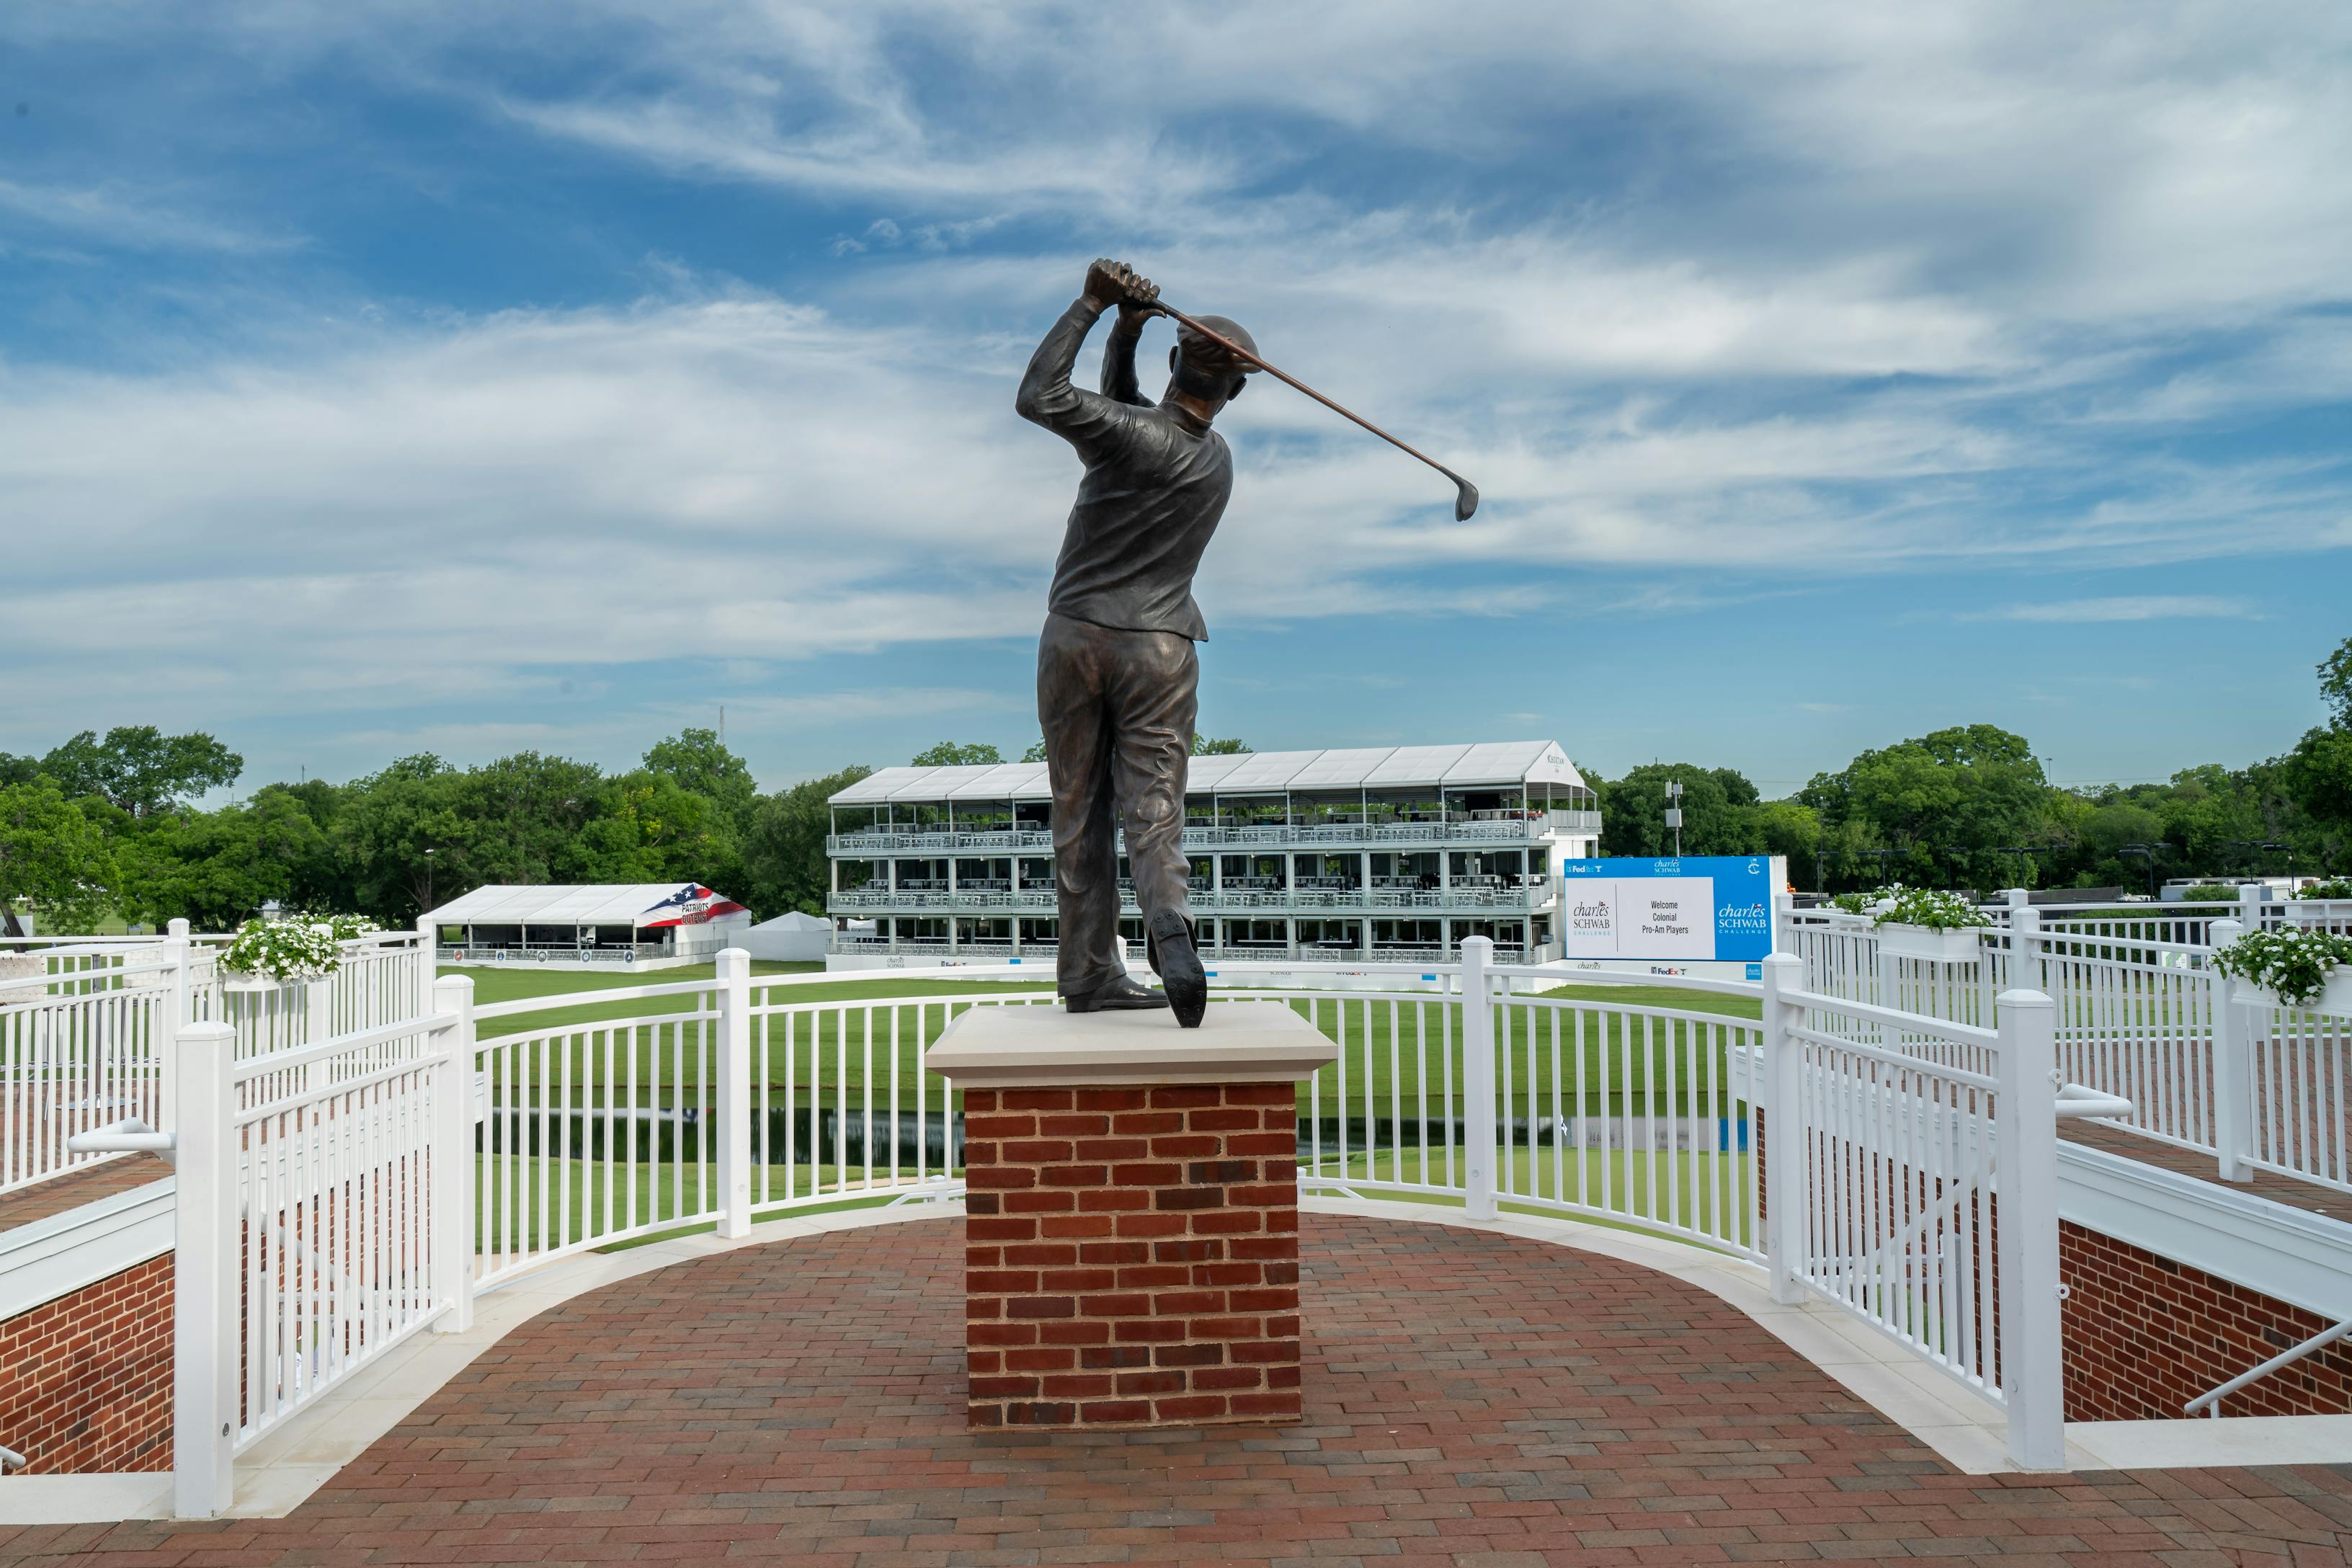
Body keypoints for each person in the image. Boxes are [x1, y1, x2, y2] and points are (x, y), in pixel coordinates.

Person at [1015, 258, 1257, 1027]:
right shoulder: (1215, 460)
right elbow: (1133, 416)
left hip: (1077, 635)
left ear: (1176, 359)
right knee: (1153, 808)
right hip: (1160, 645)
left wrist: (1093, 305)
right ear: (1236, 390)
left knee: (1079, 812)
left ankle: (1088, 974)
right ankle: (1167, 926)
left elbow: (1041, 396)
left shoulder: (1131, 438)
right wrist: (1129, 332)